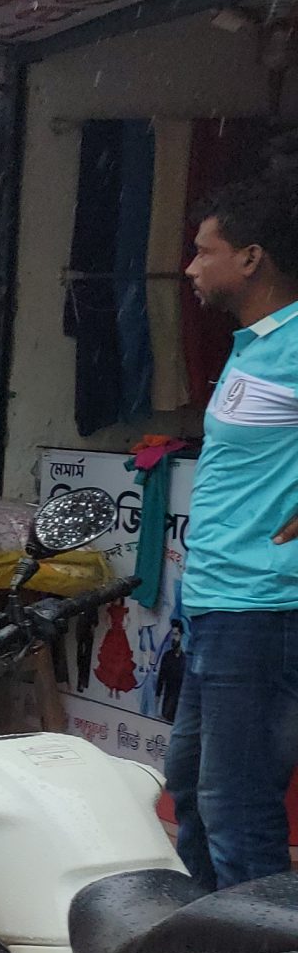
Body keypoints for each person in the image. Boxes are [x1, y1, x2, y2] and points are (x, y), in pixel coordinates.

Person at [168, 175, 298, 889]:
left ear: (251, 258)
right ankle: (199, 946)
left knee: (236, 805)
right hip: (217, 605)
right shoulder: (252, 345)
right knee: (188, 787)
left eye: (202, 251)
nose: (190, 267)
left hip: (266, 610)